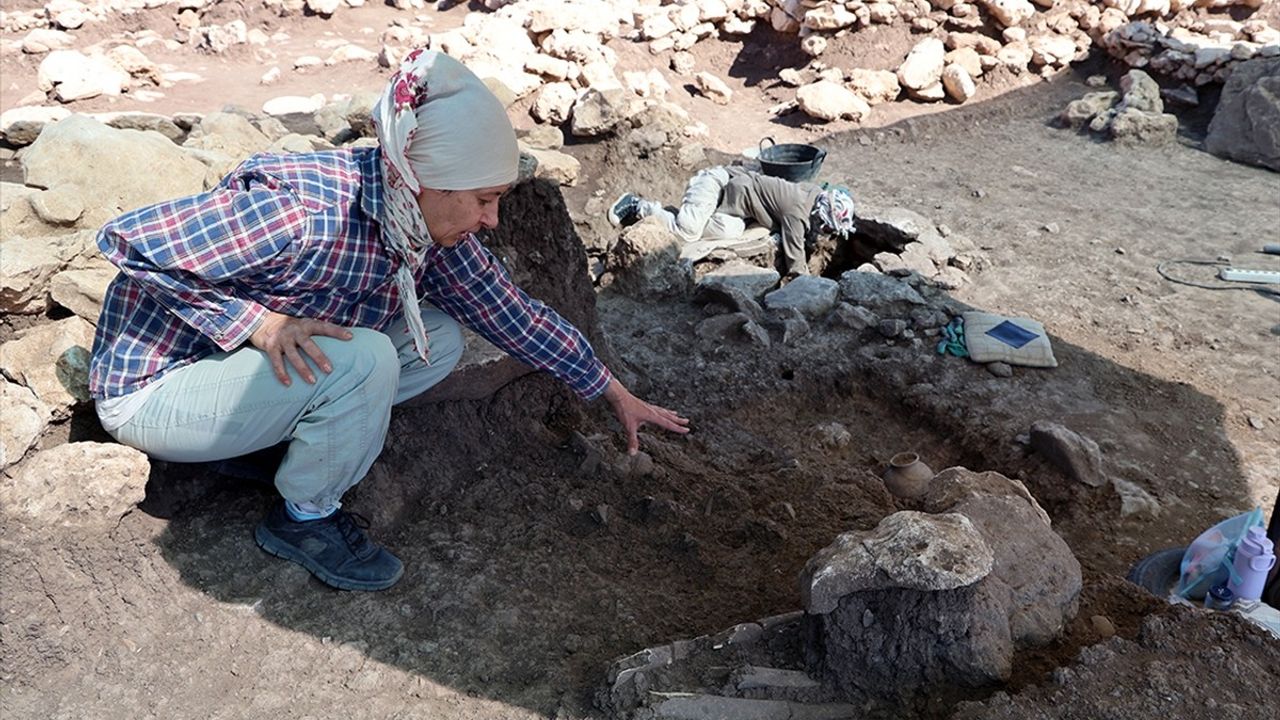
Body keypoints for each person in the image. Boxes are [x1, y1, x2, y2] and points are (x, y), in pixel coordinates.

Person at [88, 50, 689, 592]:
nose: (493, 220)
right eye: (484, 199)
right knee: (367, 359)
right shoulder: (303, 211)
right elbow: (129, 243)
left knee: (438, 340)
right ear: (425, 182)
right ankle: (304, 519)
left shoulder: (419, 225)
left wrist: (610, 390)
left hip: (228, 380)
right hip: (156, 390)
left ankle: (276, 451)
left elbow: (513, 314)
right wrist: (258, 323)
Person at [607, 166, 857, 277]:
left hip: (735, 204)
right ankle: (637, 205)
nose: (825, 231)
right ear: (820, 213)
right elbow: (795, 260)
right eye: (826, 226)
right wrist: (808, 285)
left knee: (729, 230)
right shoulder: (798, 211)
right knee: (688, 233)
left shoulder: (814, 195)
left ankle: (680, 215)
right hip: (717, 183)